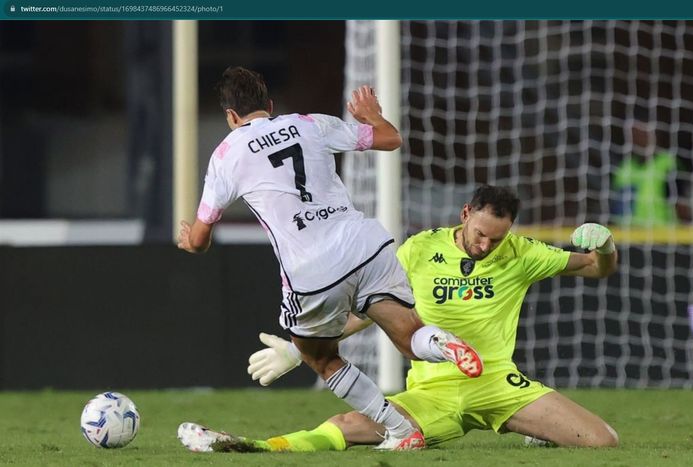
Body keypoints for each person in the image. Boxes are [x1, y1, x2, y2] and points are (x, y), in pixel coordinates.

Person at [177, 185, 620, 453]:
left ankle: (533, 428)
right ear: (465, 215)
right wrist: (299, 350)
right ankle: (257, 446)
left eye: (496, 239)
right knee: (346, 428)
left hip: (498, 383)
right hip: (432, 392)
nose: (486, 246)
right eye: (481, 234)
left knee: (603, 441)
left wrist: (605, 248)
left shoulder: (523, 253)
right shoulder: (418, 250)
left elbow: (597, 268)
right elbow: (370, 312)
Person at [175, 66, 483, 451]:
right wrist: (372, 116)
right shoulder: (310, 123)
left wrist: (190, 241)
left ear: (231, 117)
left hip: (312, 270)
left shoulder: (226, 154)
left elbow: (202, 237)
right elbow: (390, 139)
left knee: (318, 357)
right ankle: (443, 343)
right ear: (269, 106)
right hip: (365, 244)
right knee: (409, 337)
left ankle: (400, 430)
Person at [612, 119, 690, 225]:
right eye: (634, 135)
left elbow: (681, 206)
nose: (638, 139)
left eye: (642, 134)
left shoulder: (667, 165)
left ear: (654, 136)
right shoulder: (624, 168)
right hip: (629, 237)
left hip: (662, 237)